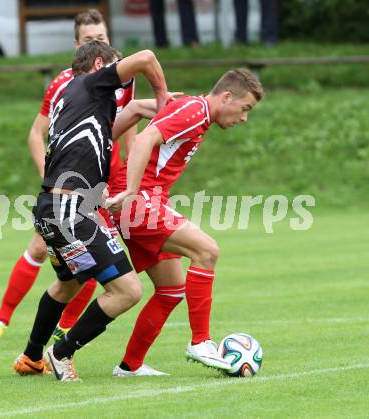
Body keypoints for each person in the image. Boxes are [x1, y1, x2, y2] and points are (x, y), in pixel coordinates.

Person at [0, 9, 136, 349]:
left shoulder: (122, 79)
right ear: (78, 45)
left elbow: (127, 131)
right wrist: (51, 178)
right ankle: (3, 319)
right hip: (69, 189)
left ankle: (57, 336)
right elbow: (37, 134)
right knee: (53, 250)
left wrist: (129, 182)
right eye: (91, 41)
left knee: (86, 267)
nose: (98, 44)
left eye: (103, 39)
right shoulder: (66, 83)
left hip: (103, 186)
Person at [13, 40, 169, 382]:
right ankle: (62, 351)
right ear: (100, 65)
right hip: (71, 211)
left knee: (68, 284)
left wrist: (153, 110)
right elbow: (146, 58)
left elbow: (114, 126)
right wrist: (162, 96)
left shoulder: (72, 97)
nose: (122, 87)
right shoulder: (93, 82)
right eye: (118, 75)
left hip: (51, 209)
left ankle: (31, 355)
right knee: (128, 290)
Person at [106, 68, 264, 376]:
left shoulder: (196, 112)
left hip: (145, 200)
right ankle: (200, 341)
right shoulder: (195, 111)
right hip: (139, 201)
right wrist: (131, 192)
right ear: (227, 97)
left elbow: (140, 112)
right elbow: (143, 141)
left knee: (171, 289)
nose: (244, 118)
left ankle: (130, 366)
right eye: (245, 109)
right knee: (208, 251)